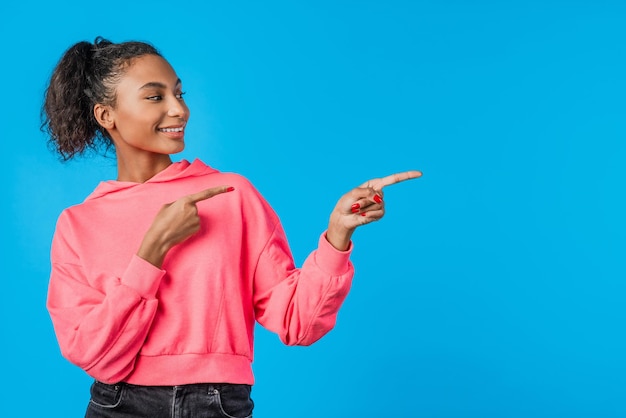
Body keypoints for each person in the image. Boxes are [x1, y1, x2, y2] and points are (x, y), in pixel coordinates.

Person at [42, 37, 421, 418]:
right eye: (155, 97)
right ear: (107, 115)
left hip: (217, 403)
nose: (180, 110)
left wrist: (337, 234)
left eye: (179, 94)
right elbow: (93, 354)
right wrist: (152, 251)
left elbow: (298, 323)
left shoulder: (231, 195)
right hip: (118, 405)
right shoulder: (79, 224)